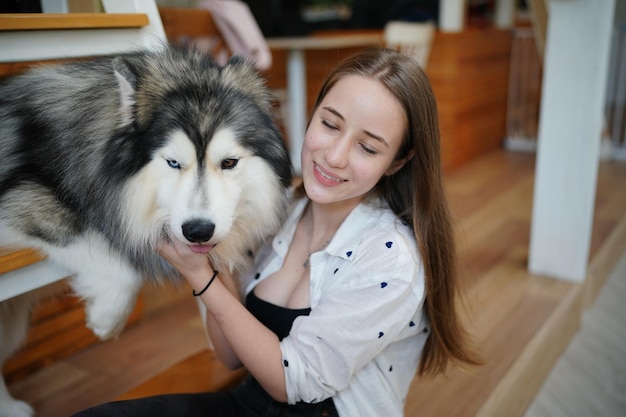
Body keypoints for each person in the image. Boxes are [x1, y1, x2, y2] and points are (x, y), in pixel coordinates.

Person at [72, 47, 481, 417]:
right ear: (313, 111)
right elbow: (231, 355)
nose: (335, 156)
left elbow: (294, 384)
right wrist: (214, 247)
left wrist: (199, 275)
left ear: (396, 162)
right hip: (248, 404)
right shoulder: (278, 211)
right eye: (330, 124)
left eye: (368, 148)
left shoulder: (391, 257)